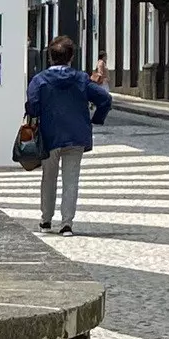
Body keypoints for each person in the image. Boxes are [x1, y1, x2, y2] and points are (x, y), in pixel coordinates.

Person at [25, 34, 111, 236]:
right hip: (75, 134)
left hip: (49, 135)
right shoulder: (81, 79)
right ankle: (67, 224)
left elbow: (33, 106)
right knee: (71, 179)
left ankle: (46, 221)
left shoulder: (39, 80)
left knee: (49, 177)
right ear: (71, 57)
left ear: (50, 58)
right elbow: (105, 99)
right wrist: (95, 119)